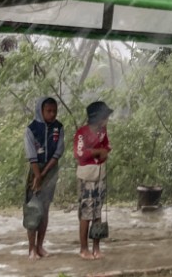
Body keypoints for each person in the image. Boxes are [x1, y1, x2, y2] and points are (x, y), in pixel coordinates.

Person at [24, 96, 64, 260]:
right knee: (33, 208)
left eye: (54, 111)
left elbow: (58, 151)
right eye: (48, 111)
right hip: (35, 169)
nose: (52, 114)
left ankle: (40, 246)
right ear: (40, 111)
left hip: (50, 170)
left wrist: (44, 173)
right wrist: (37, 175)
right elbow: (31, 154)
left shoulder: (58, 128)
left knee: (45, 208)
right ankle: (31, 248)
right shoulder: (31, 129)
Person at [74, 100, 113, 260]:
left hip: (100, 175)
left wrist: (104, 151)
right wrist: (98, 152)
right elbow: (80, 154)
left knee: (97, 212)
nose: (107, 120)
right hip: (87, 177)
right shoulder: (82, 133)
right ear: (98, 118)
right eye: (105, 117)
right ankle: (84, 248)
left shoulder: (102, 131)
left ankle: (96, 247)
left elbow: (107, 146)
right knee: (86, 213)